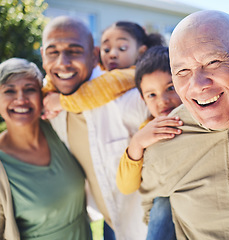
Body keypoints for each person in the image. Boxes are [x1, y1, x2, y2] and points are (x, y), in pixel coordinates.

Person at [139, 10, 229, 239]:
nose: (197, 85)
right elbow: (155, 216)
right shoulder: (164, 143)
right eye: (182, 71)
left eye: (213, 61)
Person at [40, 16, 150, 239]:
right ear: (43, 56)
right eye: (53, 52)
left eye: (74, 51)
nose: (62, 62)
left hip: (148, 229)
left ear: (93, 56)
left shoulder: (128, 98)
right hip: (110, 226)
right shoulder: (53, 111)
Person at [0, 58, 91, 239]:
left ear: (42, 96)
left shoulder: (59, 129)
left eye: (30, 89)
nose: (21, 99)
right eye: (9, 91)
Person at [116, 46, 182, 240]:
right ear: (142, 98)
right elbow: (126, 186)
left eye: (170, 88)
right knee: (162, 202)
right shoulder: (147, 131)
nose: (162, 101)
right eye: (151, 95)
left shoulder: (200, 117)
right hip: (163, 220)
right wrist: (137, 144)